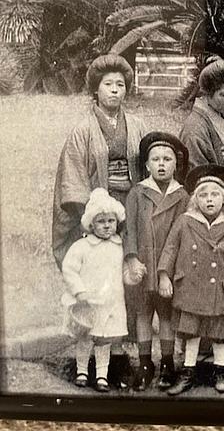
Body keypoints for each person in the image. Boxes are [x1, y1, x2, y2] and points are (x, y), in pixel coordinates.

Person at [52, 53, 148, 388]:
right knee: (97, 284)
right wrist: (91, 222)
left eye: (121, 85)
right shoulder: (82, 130)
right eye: (108, 85)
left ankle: (119, 360)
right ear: (96, 89)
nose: (115, 91)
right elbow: (74, 178)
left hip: (129, 206)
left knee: (125, 289)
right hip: (96, 213)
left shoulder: (135, 124)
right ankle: (87, 361)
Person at [158, 166, 224, 395]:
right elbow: (170, 249)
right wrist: (163, 276)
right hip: (190, 287)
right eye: (203, 195)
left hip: (222, 288)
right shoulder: (184, 221)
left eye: (215, 195)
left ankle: (220, 371)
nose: (209, 200)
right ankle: (188, 373)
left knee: (220, 333)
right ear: (195, 200)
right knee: (191, 331)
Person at [123, 132, 190, 392]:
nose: (161, 164)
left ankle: (167, 364)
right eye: (155, 159)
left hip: (168, 270)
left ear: (176, 164)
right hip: (142, 266)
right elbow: (129, 229)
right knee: (142, 313)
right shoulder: (137, 193)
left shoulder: (183, 197)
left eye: (167, 159)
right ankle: (144, 364)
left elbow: (182, 238)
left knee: (166, 315)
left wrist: (169, 273)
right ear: (147, 164)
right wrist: (132, 260)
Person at [61, 189, 128, 393]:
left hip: (111, 302)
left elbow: (123, 270)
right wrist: (79, 291)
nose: (107, 226)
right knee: (86, 337)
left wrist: (131, 276)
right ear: (91, 224)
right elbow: (69, 269)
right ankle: (82, 371)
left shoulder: (119, 247)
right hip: (88, 302)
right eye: (101, 221)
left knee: (104, 339)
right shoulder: (82, 246)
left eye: (111, 221)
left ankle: (102, 375)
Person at [179, 57, 224, 200]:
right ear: (208, 93)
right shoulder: (195, 128)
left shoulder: (221, 113)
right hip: (211, 195)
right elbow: (196, 176)